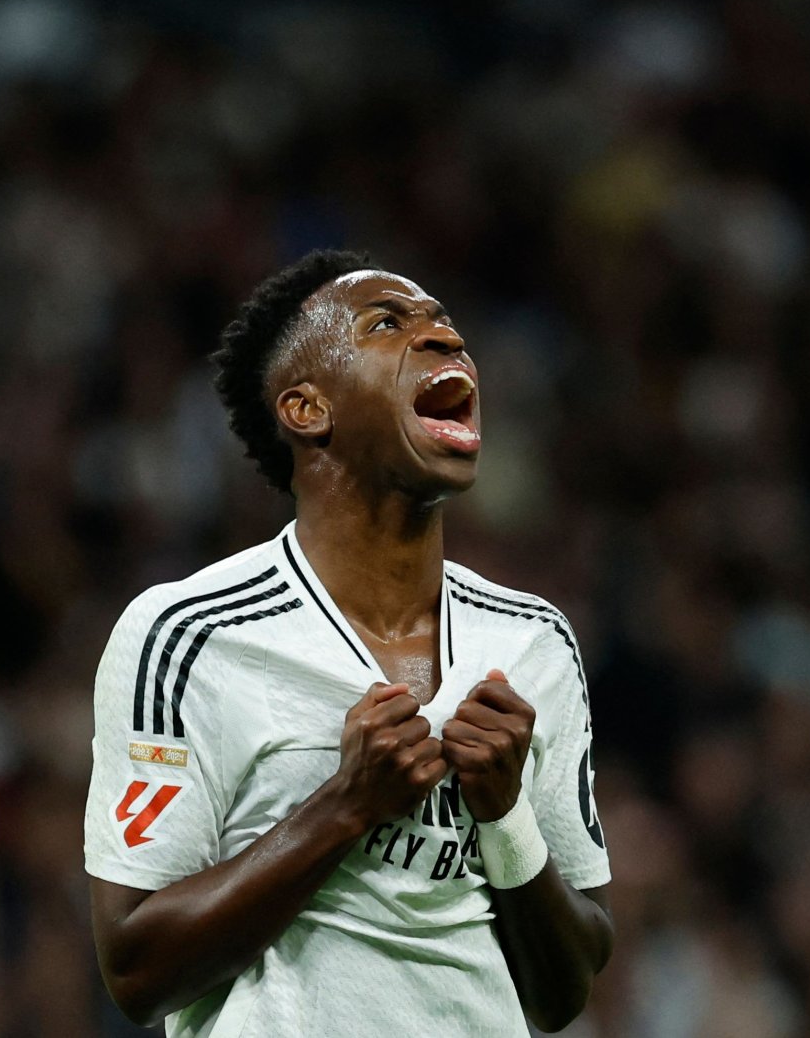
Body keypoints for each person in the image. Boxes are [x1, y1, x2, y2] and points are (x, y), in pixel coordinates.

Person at [83, 250, 613, 1036]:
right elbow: (135, 967)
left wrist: (506, 817)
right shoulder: (188, 636)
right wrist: (345, 805)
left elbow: (562, 990)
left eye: (446, 325)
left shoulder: (535, 641)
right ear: (306, 409)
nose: (443, 340)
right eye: (389, 324)